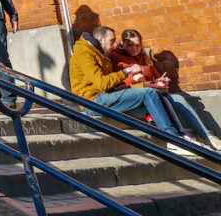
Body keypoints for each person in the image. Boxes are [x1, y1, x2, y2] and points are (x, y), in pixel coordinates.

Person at [70, 25, 196, 156]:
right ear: (101, 39)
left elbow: (106, 83)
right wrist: (127, 71)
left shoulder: (100, 53)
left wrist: (121, 86)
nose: (114, 45)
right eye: (112, 41)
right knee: (149, 93)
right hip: (92, 101)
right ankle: (172, 139)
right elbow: (102, 83)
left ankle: (182, 135)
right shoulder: (84, 53)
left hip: (105, 96)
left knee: (160, 95)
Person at [110, 29, 221, 150]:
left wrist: (160, 81)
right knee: (165, 101)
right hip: (136, 97)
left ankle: (207, 135)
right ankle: (182, 135)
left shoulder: (144, 58)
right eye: (130, 45)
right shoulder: (116, 58)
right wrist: (132, 79)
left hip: (153, 92)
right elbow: (116, 81)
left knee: (178, 98)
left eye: (137, 45)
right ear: (123, 43)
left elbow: (155, 76)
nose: (134, 48)